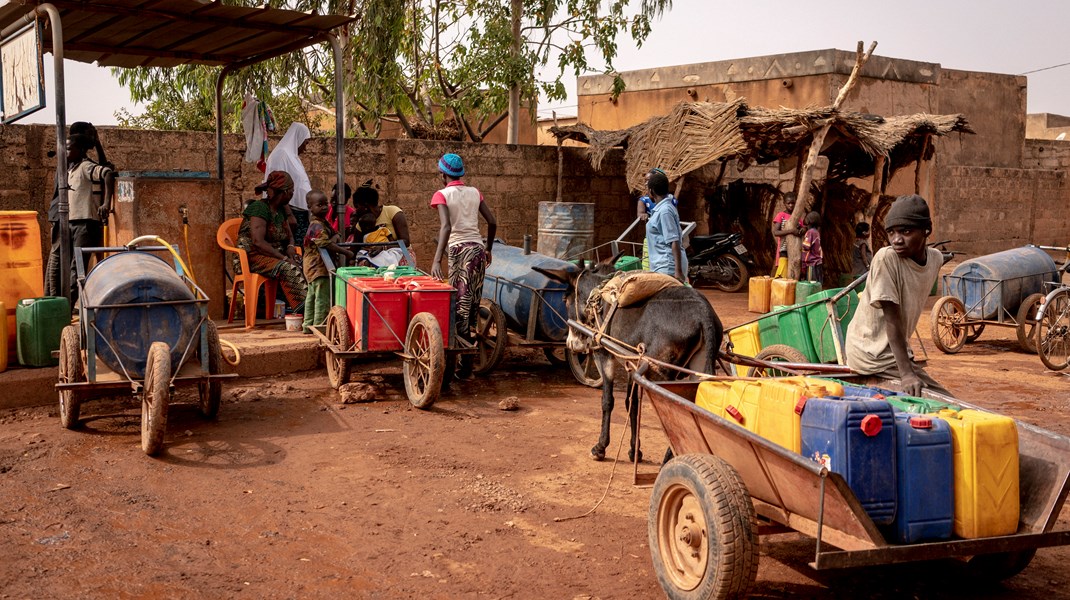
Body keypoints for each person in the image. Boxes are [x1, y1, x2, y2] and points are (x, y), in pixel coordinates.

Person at [845, 195, 949, 396]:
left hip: (897, 353)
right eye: (891, 232)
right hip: (871, 354)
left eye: (906, 231)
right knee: (944, 402)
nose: (896, 240)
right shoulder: (886, 258)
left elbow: (925, 264)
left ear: (927, 231)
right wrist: (907, 375)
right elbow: (891, 320)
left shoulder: (935, 259)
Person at [430, 153, 497, 376]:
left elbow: (446, 228)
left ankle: (461, 366)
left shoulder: (442, 195)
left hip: (459, 251)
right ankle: (466, 366)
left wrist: (437, 259)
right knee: (472, 305)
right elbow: (492, 221)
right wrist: (488, 249)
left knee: (460, 306)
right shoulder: (474, 192)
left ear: (442, 174)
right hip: (477, 250)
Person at [46, 122, 113, 297]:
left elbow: (105, 170)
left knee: (72, 266)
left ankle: (60, 301)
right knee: (60, 263)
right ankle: (55, 299)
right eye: (91, 135)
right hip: (64, 219)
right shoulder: (71, 166)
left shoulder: (81, 165)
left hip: (78, 220)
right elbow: (105, 169)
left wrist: (105, 204)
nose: (93, 139)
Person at [235, 170, 307, 312]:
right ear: (285, 192)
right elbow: (258, 242)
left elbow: (290, 235)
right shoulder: (259, 208)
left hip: (273, 255)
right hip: (253, 256)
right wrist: (285, 258)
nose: (293, 194)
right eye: (291, 190)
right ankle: (305, 311)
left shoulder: (280, 210)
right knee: (289, 268)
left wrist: (291, 246)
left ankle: (312, 307)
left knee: (306, 265)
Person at [62, 133, 115, 304]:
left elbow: (107, 173)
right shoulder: (71, 169)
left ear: (81, 150)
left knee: (77, 269)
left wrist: (106, 204)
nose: (66, 152)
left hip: (85, 224)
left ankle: (68, 310)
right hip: (71, 223)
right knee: (70, 267)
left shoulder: (85, 166)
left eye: (70, 148)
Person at [302, 190, 354, 333]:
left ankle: (307, 326)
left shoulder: (323, 222)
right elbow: (325, 244)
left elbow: (335, 235)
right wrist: (346, 252)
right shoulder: (316, 225)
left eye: (326, 204)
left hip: (314, 266)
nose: (325, 207)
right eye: (320, 205)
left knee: (312, 296)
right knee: (321, 299)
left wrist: (335, 237)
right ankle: (319, 327)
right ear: (310, 207)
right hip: (318, 266)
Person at [264, 122, 312, 244]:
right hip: (290, 212)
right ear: (298, 138)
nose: (305, 148)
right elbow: (278, 186)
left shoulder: (292, 156)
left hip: (299, 212)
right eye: (305, 143)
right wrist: (289, 214)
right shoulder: (281, 155)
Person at [353, 180, 414, 264]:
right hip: (374, 256)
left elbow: (405, 242)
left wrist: (383, 247)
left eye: (357, 207)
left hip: (399, 254)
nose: (355, 211)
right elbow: (356, 248)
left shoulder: (393, 212)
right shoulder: (362, 223)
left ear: (366, 206)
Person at [644, 170, 688, 282]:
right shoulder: (662, 208)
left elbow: (674, 240)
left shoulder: (665, 211)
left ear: (651, 191)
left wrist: (677, 271)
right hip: (663, 266)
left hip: (668, 267)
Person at [772, 192, 803, 278]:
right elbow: (776, 232)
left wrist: (802, 230)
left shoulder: (797, 217)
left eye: (793, 203)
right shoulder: (781, 215)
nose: (791, 205)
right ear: (784, 203)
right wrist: (791, 231)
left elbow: (801, 230)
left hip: (795, 249)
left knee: (794, 271)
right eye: (788, 203)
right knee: (782, 272)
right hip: (784, 248)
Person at [801, 211, 823, 283]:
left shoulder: (810, 232)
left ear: (809, 221)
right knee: (817, 284)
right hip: (818, 263)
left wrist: (803, 264)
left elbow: (806, 247)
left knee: (811, 284)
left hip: (812, 264)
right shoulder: (816, 232)